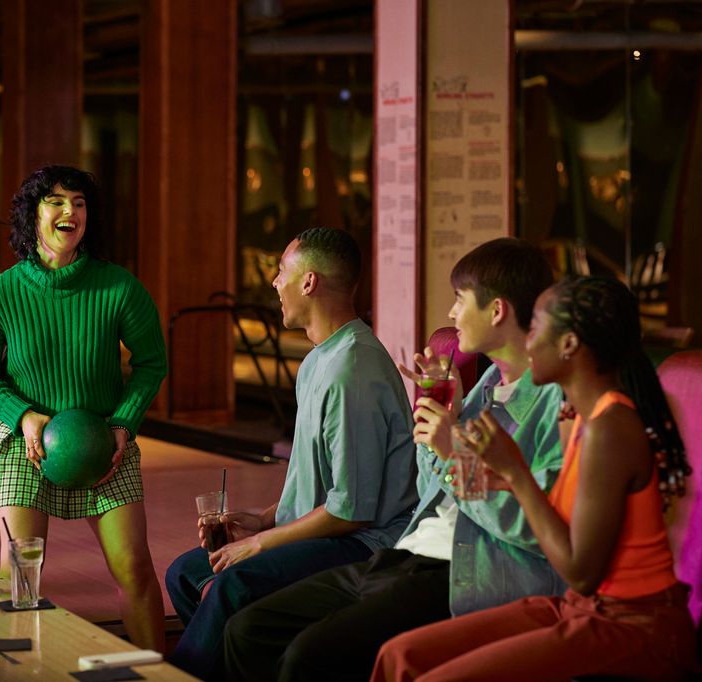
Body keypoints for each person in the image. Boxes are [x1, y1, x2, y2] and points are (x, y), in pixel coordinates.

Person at [224, 237, 567, 681]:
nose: (450, 315)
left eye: (460, 300)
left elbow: (532, 531)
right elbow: (430, 495)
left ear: (497, 311)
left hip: (465, 570)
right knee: (247, 629)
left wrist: (449, 451)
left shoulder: (553, 407)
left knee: (306, 656)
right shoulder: (483, 387)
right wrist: (439, 425)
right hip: (406, 552)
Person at [372, 275, 698, 682]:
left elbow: (581, 571)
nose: (527, 341)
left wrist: (516, 474)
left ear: (569, 345)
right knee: (397, 655)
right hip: (579, 605)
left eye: (537, 329)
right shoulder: (570, 414)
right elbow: (473, 492)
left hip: (630, 623)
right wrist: (452, 428)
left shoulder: (609, 428)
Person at [165, 227, 418, 680]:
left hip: (364, 545)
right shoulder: (320, 359)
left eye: (282, 271)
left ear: (309, 282)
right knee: (186, 573)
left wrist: (258, 545)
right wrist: (261, 520)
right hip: (332, 532)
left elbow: (351, 512)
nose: (274, 282)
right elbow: (322, 487)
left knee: (231, 585)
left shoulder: (351, 371)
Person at [0, 165, 167, 650]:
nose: (69, 211)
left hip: (104, 441)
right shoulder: (0, 294)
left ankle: (158, 673)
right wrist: (23, 415)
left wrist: (123, 424)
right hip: (22, 442)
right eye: (55, 201)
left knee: (134, 568)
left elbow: (152, 363)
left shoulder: (119, 287)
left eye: (79, 202)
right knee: (20, 577)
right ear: (32, 214)